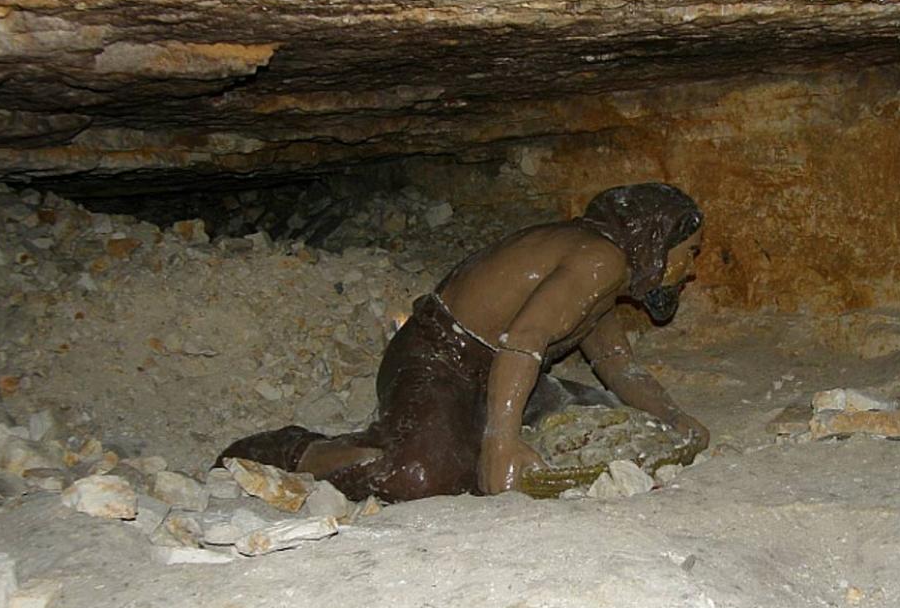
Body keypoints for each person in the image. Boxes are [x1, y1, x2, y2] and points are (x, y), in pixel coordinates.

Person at [216, 182, 709, 501]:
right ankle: (301, 451)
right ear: (655, 243)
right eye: (689, 253)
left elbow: (617, 364)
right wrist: (501, 443)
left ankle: (472, 429)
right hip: (440, 358)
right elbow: (525, 341)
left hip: (503, 372)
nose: (690, 269)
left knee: (608, 425)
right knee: (422, 477)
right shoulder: (600, 262)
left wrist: (672, 420)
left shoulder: (604, 277)